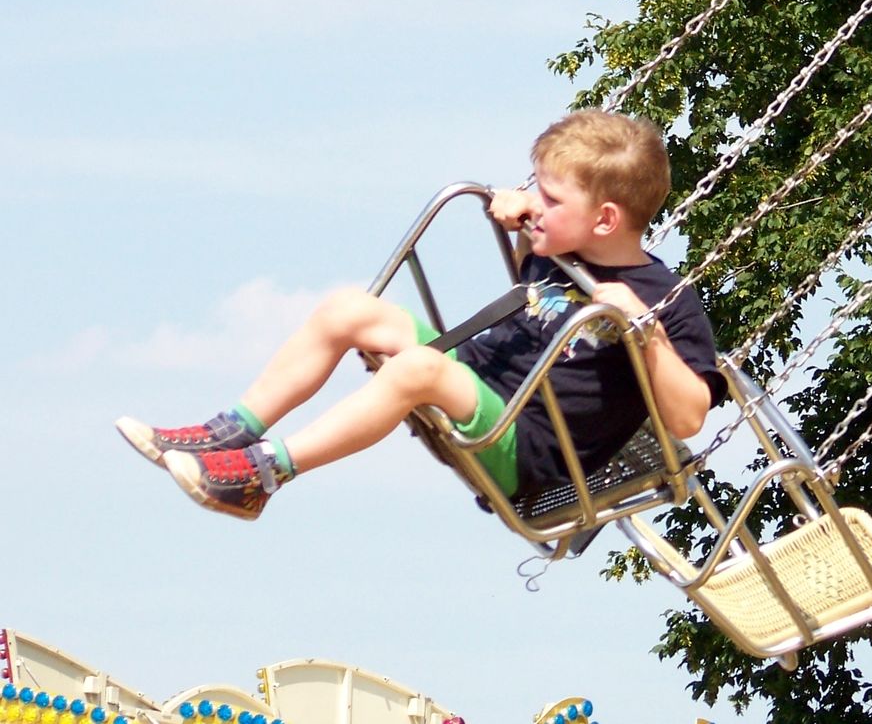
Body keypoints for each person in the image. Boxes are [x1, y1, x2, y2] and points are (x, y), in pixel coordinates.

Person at [115, 111, 726, 521]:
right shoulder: (561, 248)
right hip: (481, 378)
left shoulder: (663, 300)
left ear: (606, 220)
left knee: (416, 370)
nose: (535, 202)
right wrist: (522, 221)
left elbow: (689, 415)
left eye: (551, 197)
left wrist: (643, 329)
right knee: (348, 309)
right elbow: (537, 289)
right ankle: (230, 431)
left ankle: (263, 476)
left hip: (526, 443)